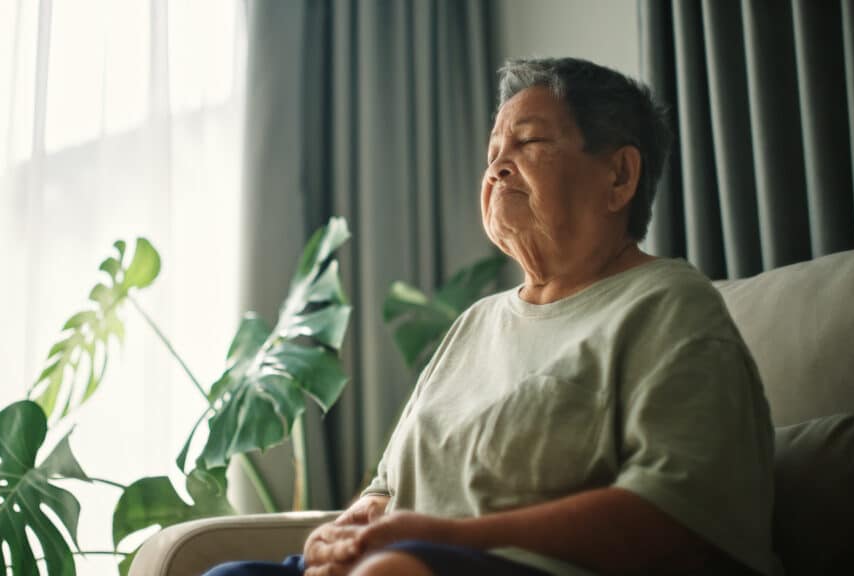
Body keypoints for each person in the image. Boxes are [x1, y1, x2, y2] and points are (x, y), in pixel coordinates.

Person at [205, 57, 776, 576]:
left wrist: (446, 536)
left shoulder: (667, 303)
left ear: (620, 176)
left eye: (527, 143)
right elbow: (385, 490)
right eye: (492, 155)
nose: (498, 168)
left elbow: (678, 519)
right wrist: (345, 530)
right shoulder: (475, 323)